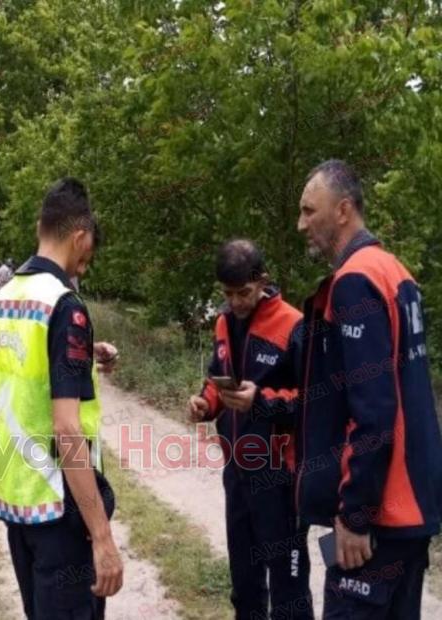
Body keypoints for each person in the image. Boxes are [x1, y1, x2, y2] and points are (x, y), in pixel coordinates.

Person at [0, 177, 123, 620]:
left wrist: (83, 360)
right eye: (90, 245)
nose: (88, 257)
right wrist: (102, 536)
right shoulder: (64, 305)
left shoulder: (3, 299)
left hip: (15, 499)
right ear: (80, 236)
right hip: (57, 506)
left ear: (41, 227)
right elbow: (66, 428)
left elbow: (16, 376)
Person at [296, 159, 442, 619]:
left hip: (378, 518)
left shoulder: (355, 281)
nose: (301, 225)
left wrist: (355, 514)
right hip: (413, 510)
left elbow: (374, 408)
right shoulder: (396, 271)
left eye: (308, 211)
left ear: (342, 211)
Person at [188, 240, 314, 620]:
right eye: (228, 294)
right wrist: (205, 403)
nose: (237, 302)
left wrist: (262, 401)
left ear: (262, 280)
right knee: (244, 581)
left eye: (243, 292)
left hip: (281, 476)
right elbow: (218, 376)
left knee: (288, 585)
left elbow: (313, 402)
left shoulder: (294, 324)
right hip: (237, 471)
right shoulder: (224, 321)